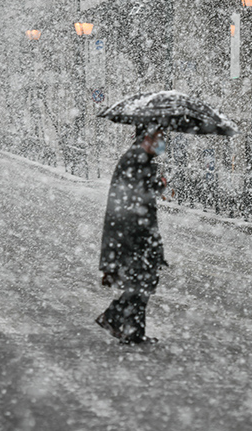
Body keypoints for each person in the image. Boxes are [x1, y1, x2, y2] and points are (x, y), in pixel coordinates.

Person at [96, 125, 168, 344]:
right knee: (141, 284)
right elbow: (136, 195)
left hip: (135, 233)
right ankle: (115, 318)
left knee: (141, 284)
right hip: (133, 234)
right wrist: (158, 185)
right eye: (160, 137)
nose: (162, 142)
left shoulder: (138, 159)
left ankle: (132, 331)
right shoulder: (136, 160)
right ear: (148, 137)